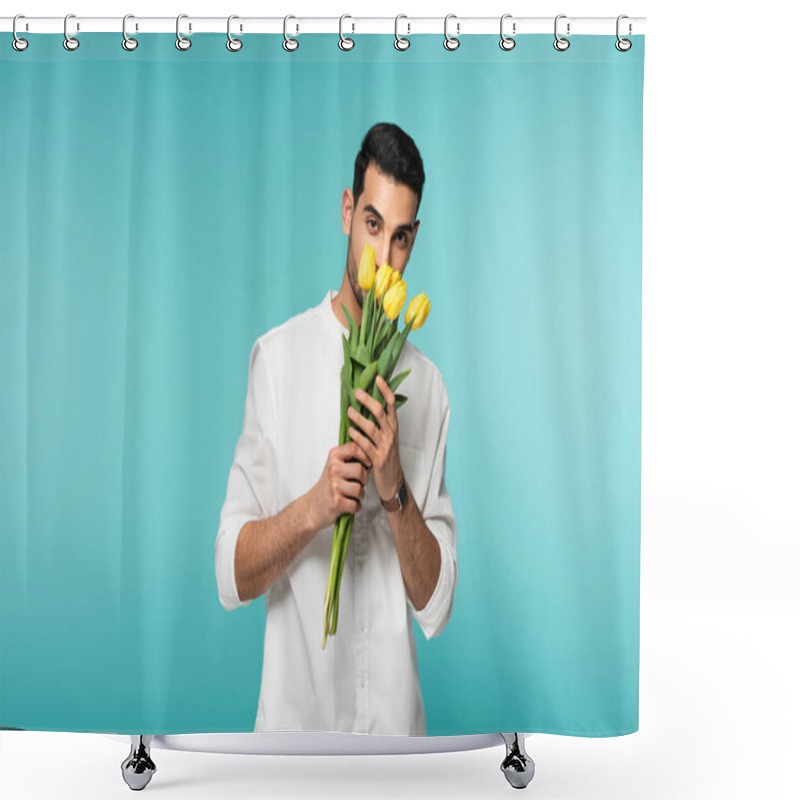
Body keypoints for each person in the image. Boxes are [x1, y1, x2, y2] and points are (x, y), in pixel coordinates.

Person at [215, 122, 457, 736]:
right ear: (348, 212)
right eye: (372, 225)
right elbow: (230, 572)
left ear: (414, 239)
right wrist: (314, 508)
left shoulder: (427, 388)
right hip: (293, 741)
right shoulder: (278, 360)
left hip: (398, 750)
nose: (383, 257)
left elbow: (436, 603)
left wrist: (395, 486)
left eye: (400, 238)